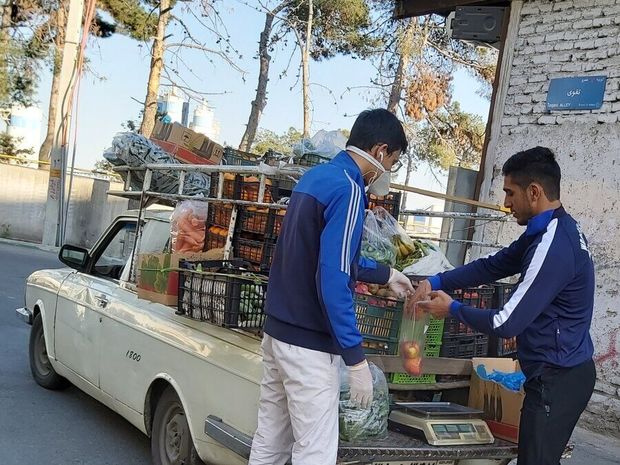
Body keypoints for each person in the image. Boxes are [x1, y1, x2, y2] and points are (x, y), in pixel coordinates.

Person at [248, 109, 414, 465]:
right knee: (315, 452)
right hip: (308, 345)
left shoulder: (316, 177)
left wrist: (385, 274)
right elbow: (333, 278)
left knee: (270, 442)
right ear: (380, 151)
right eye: (393, 162)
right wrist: (355, 359)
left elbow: (322, 257)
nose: (388, 172)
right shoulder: (350, 189)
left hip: (277, 334)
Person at [412, 147, 595, 465]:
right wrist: (436, 281)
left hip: (558, 377)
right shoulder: (545, 232)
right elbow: (491, 266)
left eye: (511, 193)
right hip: (554, 371)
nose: (506, 203)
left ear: (534, 192)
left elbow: (506, 323)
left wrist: (452, 309)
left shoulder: (554, 246)